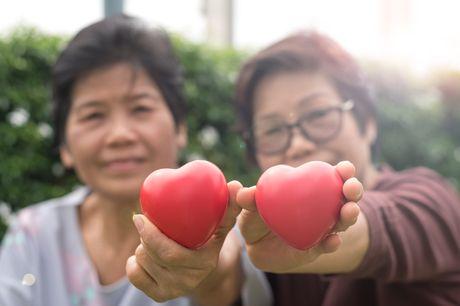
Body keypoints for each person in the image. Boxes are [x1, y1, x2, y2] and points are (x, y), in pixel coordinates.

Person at [0, 15, 274, 306]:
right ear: (65, 145)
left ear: (179, 127)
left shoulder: (228, 228)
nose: (120, 135)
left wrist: (212, 272)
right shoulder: (32, 233)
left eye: (141, 108)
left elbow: (226, 279)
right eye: (93, 115)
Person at [233, 31, 460, 305]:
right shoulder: (263, 245)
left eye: (318, 114)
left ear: (368, 123)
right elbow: (226, 280)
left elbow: (387, 227)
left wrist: (318, 235)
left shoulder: (433, 202)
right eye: (273, 129)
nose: (298, 144)